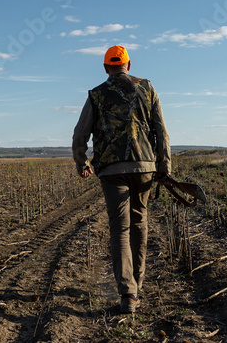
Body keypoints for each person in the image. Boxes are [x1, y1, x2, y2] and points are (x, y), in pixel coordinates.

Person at [72, 45, 171, 314]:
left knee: (119, 229)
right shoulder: (147, 88)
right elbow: (161, 130)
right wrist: (165, 166)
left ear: (106, 68)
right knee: (140, 222)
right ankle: (136, 282)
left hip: (112, 171)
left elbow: (80, 135)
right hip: (144, 167)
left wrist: (83, 163)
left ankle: (128, 294)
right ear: (128, 64)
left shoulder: (97, 94)